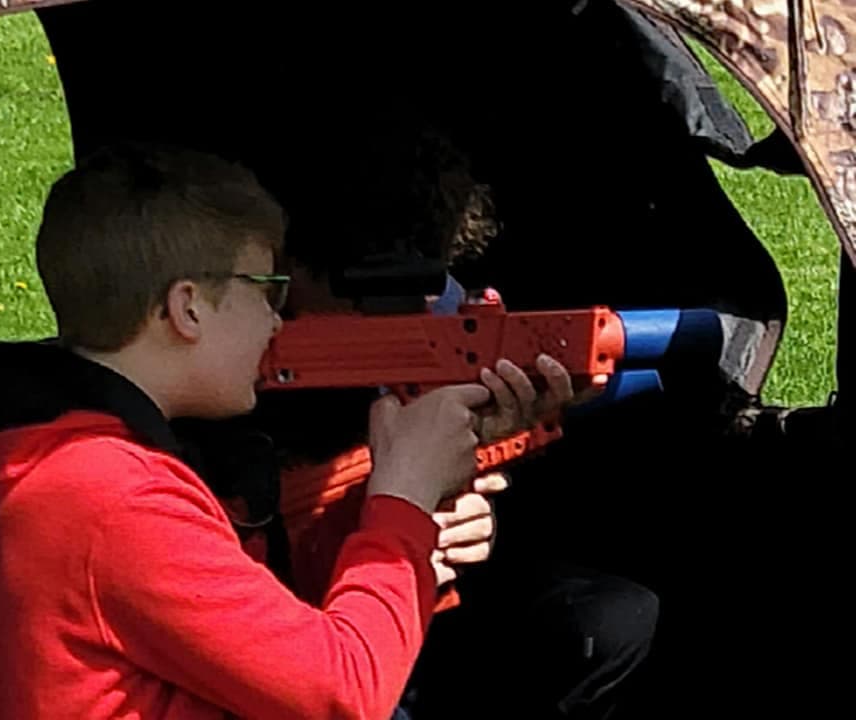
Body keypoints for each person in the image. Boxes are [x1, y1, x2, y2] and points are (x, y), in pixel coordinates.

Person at [0, 142, 505, 720]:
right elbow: (343, 695)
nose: (277, 319)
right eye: (267, 290)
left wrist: (400, 548)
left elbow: (240, 632)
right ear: (189, 308)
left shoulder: (96, 466)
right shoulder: (108, 498)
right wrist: (400, 501)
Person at [175, 121, 661, 719]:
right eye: (356, 301)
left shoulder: (443, 313)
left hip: (390, 592)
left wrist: (473, 471)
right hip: (291, 629)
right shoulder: (212, 375)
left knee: (610, 619)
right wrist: (396, 509)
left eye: (427, 294)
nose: (419, 314)